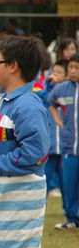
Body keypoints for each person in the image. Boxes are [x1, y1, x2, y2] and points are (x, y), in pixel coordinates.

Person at [0, 36, 50, 184]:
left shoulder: (28, 106)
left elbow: (34, 153)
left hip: (19, 200)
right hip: (1, 196)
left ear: (13, 66)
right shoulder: (5, 101)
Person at [48, 53, 79, 229]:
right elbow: (50, 102)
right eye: (71, 68)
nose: (73, 71)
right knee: (69, 184)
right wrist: (57, 119)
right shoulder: (63, 89)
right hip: (70, 146)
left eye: (77, 68)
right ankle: (72, 219)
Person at [43, 60, 67, 197]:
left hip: (65, 146)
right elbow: (46, 99)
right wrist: (49, 86)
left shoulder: (69, 92)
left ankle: (71, 213)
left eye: (59, 73)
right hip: (50, 147)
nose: (55, 75)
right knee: (45, 178)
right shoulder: (47, 92)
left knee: (67, 183)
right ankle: (41, 206)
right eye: (54, 72)